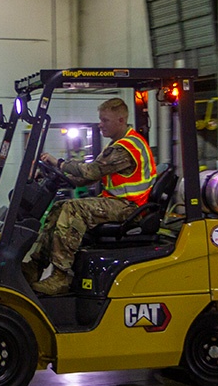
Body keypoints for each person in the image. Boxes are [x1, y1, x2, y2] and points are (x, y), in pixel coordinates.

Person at [24, 97, 156, 295]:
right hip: (117, 203)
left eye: (105, 120)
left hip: (130, 208)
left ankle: (60, 277)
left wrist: (58, 162)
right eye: (100, 119)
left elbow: (89, 172)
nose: (100, 124)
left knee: (73, 209)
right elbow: (84, 179)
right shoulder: (117, 144)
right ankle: (35, 266)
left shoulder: (125, 147)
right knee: (60, 205)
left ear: (121, 120)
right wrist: (52, 174)